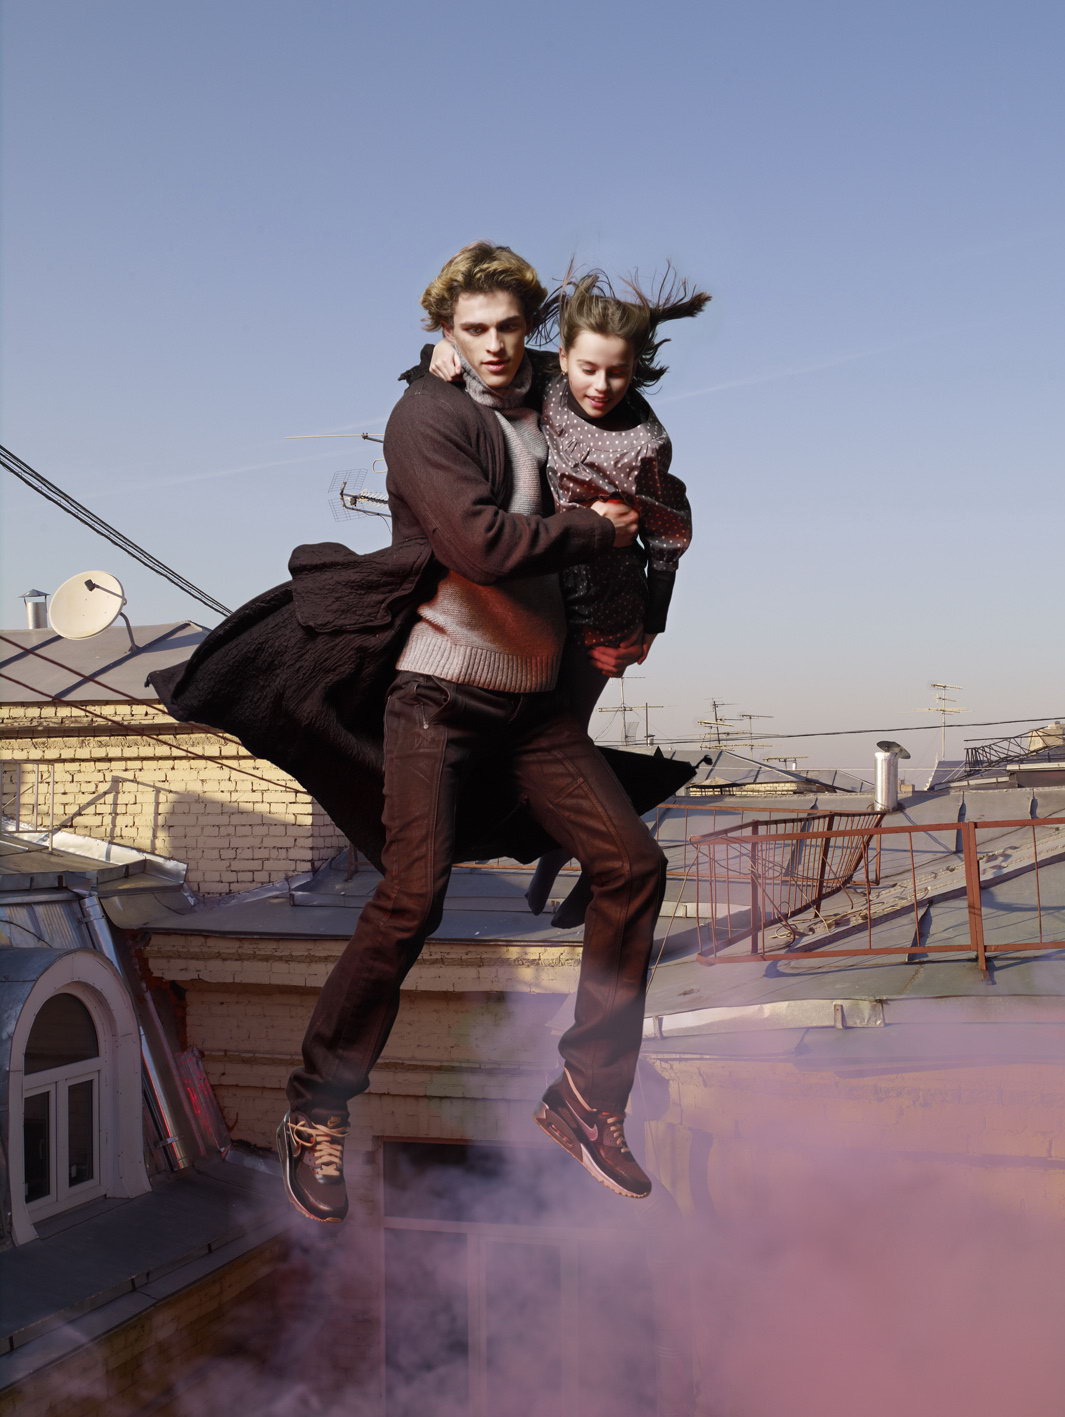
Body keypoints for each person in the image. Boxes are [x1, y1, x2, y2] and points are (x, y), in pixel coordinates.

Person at [276, 243, 670, 1221]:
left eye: (509, 328)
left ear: (531, 329)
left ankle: (586, 1095)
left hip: (533, 706)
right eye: (473, 330)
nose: (493, 345)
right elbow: (477, 544)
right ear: (445, 330)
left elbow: (614, 390)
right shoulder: (427, 416)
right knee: (412, 898)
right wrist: (598, 530)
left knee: (631, 866)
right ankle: (317, 1106)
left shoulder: (552, 393)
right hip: (439, 699)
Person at [429, 268, 709, 927]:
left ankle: (601, 862)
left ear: (634, 370)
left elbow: (669, 534)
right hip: (540, 591)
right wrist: (434, 353)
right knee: (532, 746)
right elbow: (487, 358)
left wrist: (652, 624)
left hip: (604, 612)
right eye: (588, 369)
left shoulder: (644, 443)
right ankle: (563, 844)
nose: (600, 386)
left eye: (617, 373)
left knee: (560, 745)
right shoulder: (546, 384)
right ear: (561, 358)